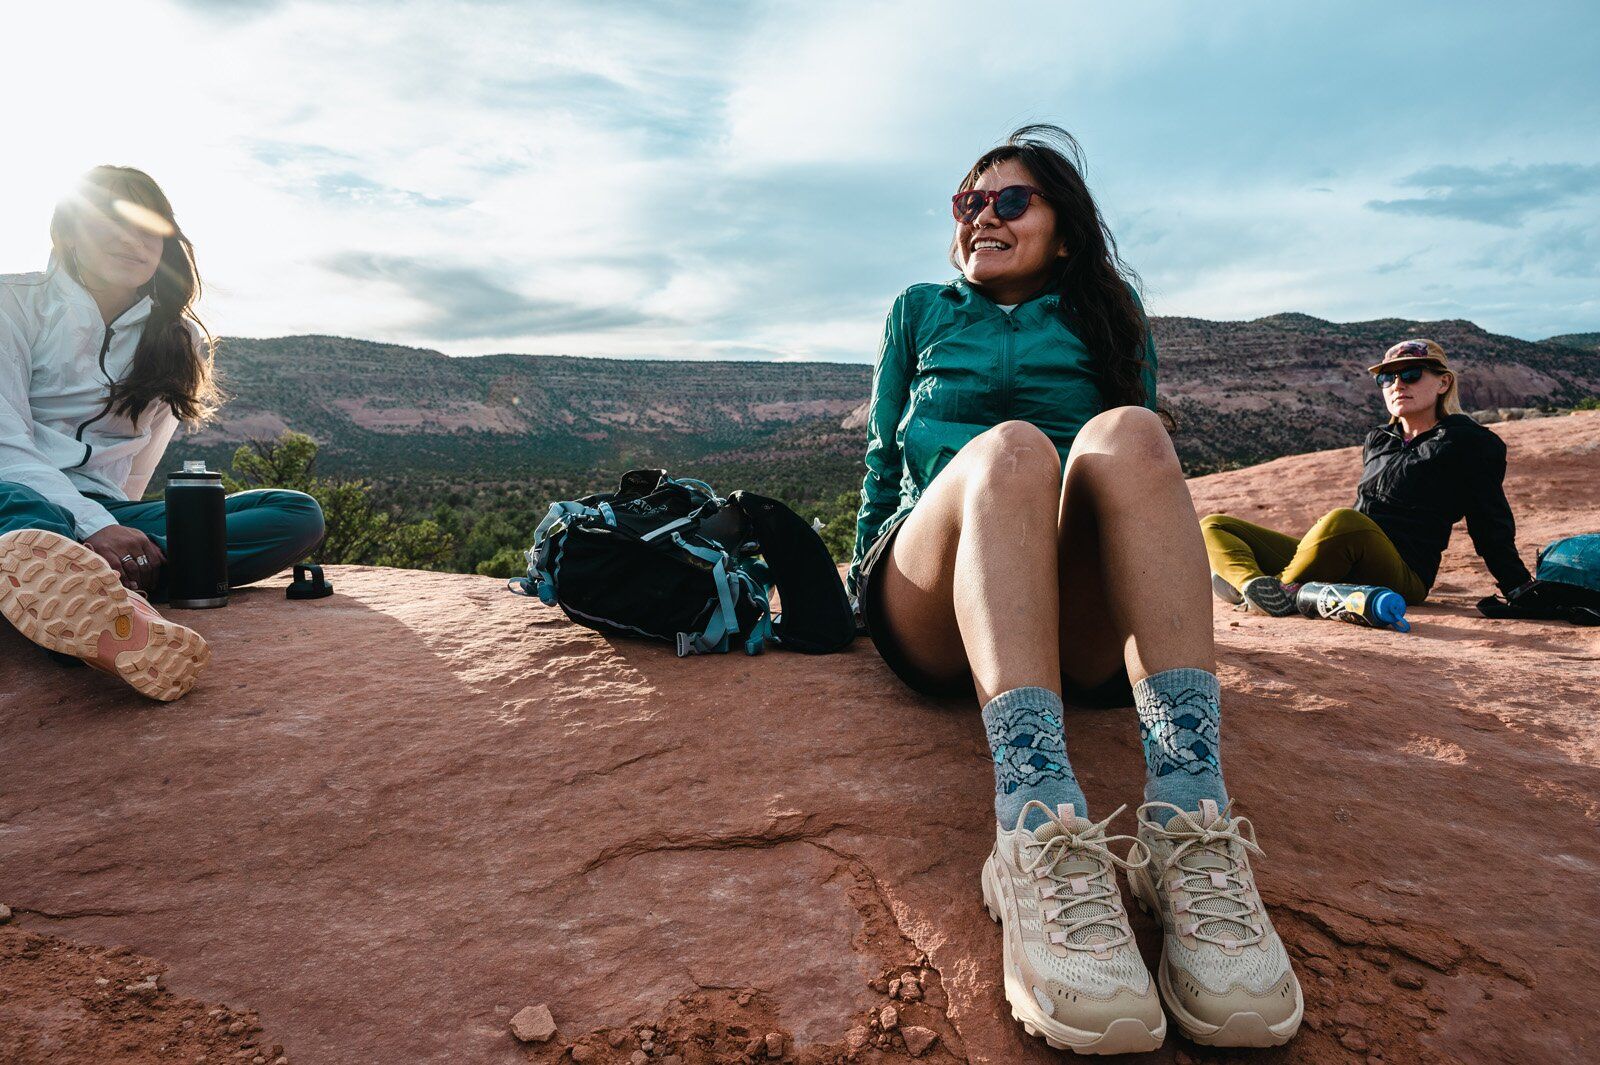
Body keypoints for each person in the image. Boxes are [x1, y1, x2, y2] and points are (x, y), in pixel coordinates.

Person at [848, 127, 1301, 1054]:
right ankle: (1035, 825)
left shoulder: (1107, 311)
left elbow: (1132, 483)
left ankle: (1186, 818)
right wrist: (851, 584)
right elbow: (882, 459)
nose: (983, 215)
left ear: (1063, 227)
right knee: (1012, 448)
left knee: (1132, 433)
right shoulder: (918, 310)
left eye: (1010, 200)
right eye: (969, 202)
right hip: (936, 592)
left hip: (1074, 618)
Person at [0, 166, 324, 701]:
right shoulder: (12, 305)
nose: (133, 241)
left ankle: (85, 591)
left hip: (102, 509)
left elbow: (137, 465)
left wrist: (125, 538)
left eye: (148, 228)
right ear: (69, 234)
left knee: (295, 514)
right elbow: (6, 448)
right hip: (16, 494)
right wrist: (95, 527)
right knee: (17, 504)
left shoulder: (178, 339)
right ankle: (83, 592)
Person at [1201, 339, 1533, 616]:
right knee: (1214, 525)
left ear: (1443, 382)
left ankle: (1281, 589)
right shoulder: (1379, 439)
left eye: (1411, 374)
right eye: (1386, 379)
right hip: (1348, 555)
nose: (1397, 385)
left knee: (1344, 521)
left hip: (1402, 572)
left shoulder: (1471, 442)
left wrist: (1516, 586)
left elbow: (1488, 521)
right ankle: (1254, 586)